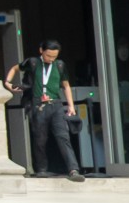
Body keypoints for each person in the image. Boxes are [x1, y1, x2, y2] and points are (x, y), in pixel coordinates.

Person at [7, 39, 85, 181]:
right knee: (40, 138)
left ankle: (73, 169)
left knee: (63, 136)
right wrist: (8, 83)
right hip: (38, 105)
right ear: (41, 51)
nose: (51, 59)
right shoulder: (33, 62)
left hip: (56, 104)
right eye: (48, 55)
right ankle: (41, 169)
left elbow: (66, 86)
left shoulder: (60, 65)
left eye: (54, 56)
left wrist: (71, 106)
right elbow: (14, 68)